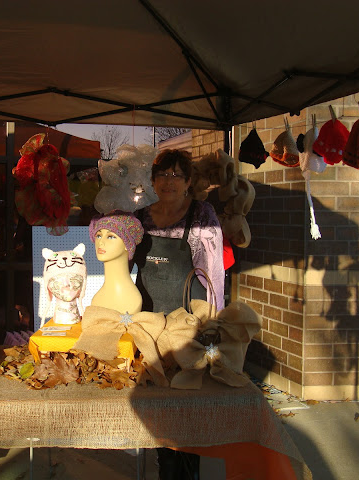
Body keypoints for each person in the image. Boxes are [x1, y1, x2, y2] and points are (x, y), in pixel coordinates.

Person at [133, 149, 225, 480]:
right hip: (149, 320)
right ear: (152, 180)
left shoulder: (202, 215)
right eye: (162, 174)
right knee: (158, 401)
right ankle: (166, 466)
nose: (168, 181)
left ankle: (189, 470)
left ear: (188, 182)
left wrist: (215, 322)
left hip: (188, 321)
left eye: (176, 175)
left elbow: (214, 273)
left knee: (188, 401)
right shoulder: (139, 218)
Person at [88, 211, 144, 314]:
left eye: (110, 237)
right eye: (99, 235)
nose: (101, 242)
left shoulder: (132, 300)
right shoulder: (98, 299)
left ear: (128, 245)